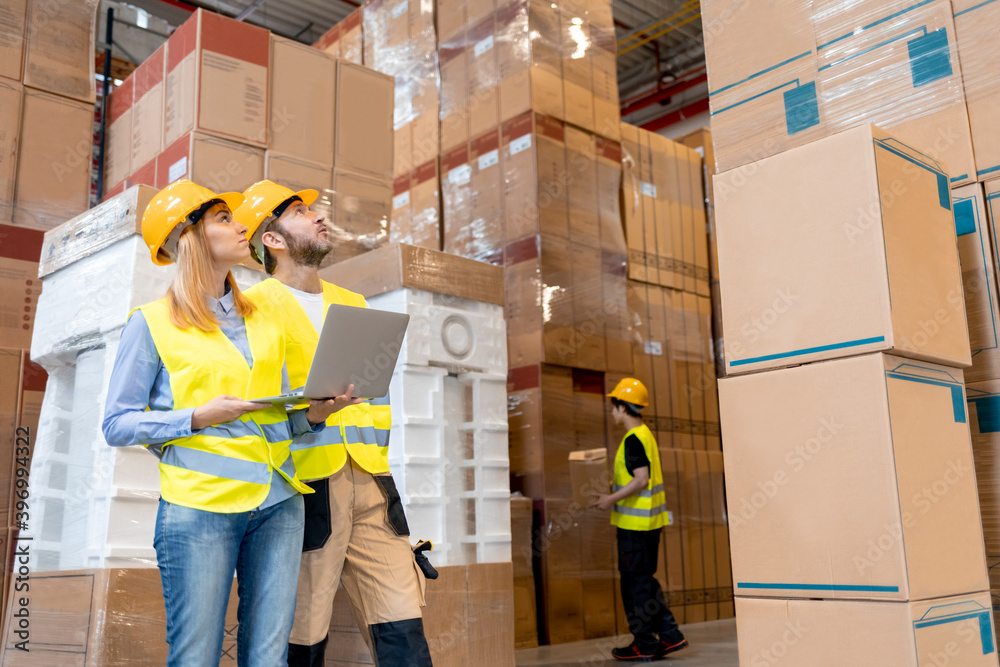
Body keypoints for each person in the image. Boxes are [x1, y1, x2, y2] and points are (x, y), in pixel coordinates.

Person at [102, 180, 357, 666]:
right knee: (196, 656)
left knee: (267, 658)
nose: (243, 226)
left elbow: (278, 418)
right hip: (199, 510)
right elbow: (117, 423)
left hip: (279, 505)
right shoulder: (152, 323)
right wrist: (197, 416)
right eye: (224, 218)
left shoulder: (264, 315)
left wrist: (315, 415)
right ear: (189, 236)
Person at [235, 180, 433, 667]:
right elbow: (248, 403)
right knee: (303, 630)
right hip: (305, 489)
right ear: (273, 239)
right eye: (301, 212)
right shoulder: (252, 307)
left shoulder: (352, 301)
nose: (317, 215)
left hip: (371, 481)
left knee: (401, 620)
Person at [594, 378, 687, 662]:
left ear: (622, 407)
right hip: (650, 524)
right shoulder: (645, 434)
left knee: (634, 586)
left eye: (614, 407)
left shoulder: (632, 440)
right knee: (645, 582)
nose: (612, 413)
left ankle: (644, 644)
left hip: (635, 528)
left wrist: (609, 499)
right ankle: (670, 635)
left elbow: (641, 480)